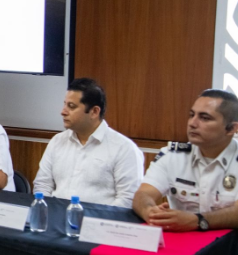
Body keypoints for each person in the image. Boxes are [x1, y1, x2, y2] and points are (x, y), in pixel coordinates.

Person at [133, 89, 238, 231]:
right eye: (191, 115)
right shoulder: (172, 155)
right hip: (183, 241)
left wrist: (198, 221)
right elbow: (143, 194)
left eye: (205, 118)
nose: (192, 123)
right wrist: (150, 212)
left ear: (231, 128)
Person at [33, 78, 143, 207]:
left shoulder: (124, 148)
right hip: (55, 215)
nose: (63, 112)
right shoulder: (57, 141)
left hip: (100, 218)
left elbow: (128, 199)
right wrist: (48, 212)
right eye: (65, 104)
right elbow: (42, 185)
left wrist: (96, 219)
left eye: (71, 106)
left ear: (94, 112)